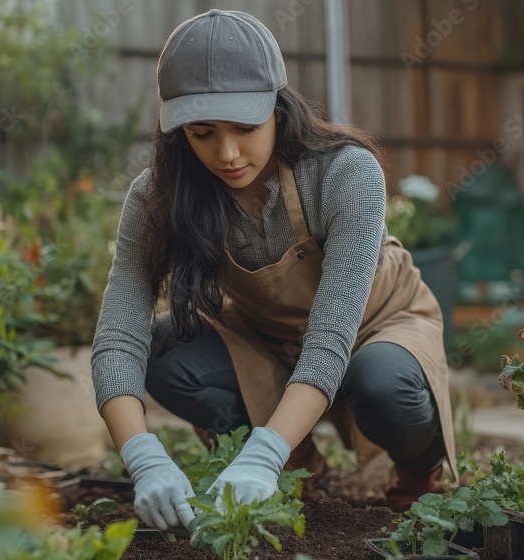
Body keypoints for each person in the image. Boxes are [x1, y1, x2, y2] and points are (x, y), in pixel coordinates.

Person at [91, 9, 457, 533]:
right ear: (177, 132)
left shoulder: (346, 173)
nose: (228, 153)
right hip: (267, 337)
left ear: (279, 109)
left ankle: (417, 472)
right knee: (165, 348)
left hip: (374, 328)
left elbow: (332, 339)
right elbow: (118, 338)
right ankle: (297, 466)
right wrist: (142, 456)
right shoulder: (156, 196)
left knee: (381, 382)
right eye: (202, 133)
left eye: (245, 127)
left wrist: (260, 451)